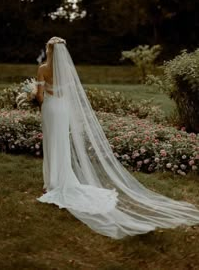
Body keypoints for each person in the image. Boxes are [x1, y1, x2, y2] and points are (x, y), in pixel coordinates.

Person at [35, 36, 199, 239]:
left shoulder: (42, 68)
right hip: (63, 109)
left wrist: (34, 97)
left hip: (50, 109)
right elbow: (70, 94)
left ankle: (52, 181)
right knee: (62, 143)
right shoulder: (67, 70)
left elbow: (40, 96)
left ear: (49, 50)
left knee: (51, 142)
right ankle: (62, 177)